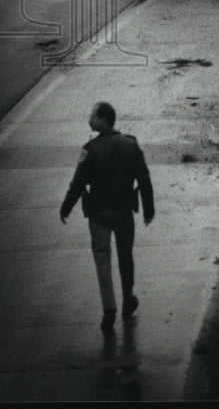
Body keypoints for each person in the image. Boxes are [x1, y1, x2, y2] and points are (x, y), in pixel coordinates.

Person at [60, 101, 154, 335]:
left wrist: (66, 207)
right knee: (125, 256)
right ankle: (128, 299)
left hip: (99, 214)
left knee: (102, 260)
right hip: (124, 213)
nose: (89, 119)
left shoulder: (90, 150)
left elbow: (78, 182)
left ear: (104, 119)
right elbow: (144, 178)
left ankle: (109, 307)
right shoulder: (131, 145)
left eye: (93, 116)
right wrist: (148, 208)